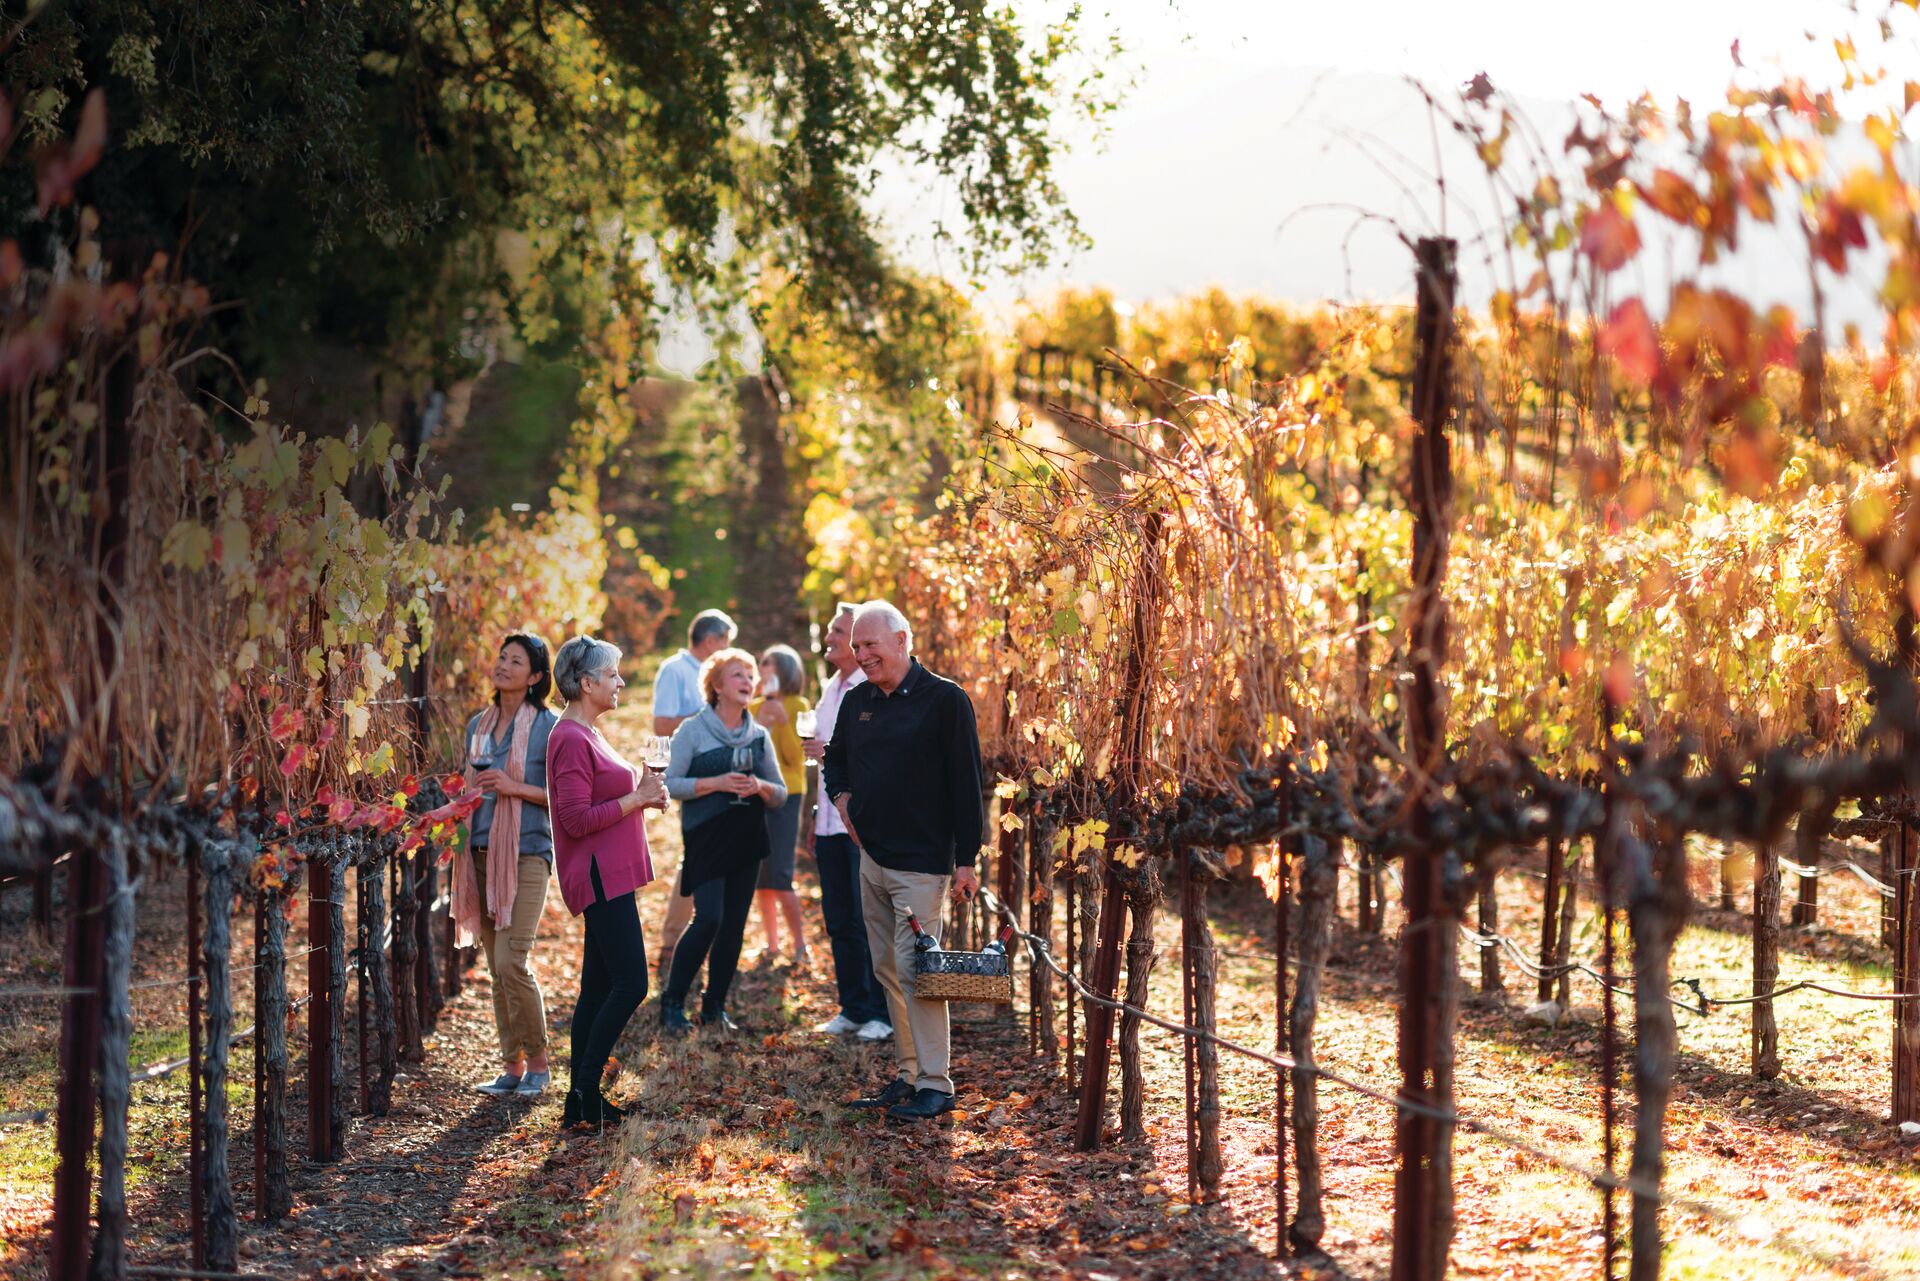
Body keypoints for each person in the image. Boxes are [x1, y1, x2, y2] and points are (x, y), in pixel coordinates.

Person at [822, 601, 985, 1121]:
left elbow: (967, 782)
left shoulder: (945, 700)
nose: (862, 655)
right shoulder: (858, 701)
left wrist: (966, 859)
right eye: (857, 647)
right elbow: (836, 759)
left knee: (919, 970)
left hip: (922, 863)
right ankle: (910, 1074)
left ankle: (937, 1083)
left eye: (871, 645)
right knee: (889, 969)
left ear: (902, 639)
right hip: (871, 859)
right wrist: (842, 798)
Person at [547, 635, 668, 1129]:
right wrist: (636, 799)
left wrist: (642, 793)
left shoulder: (587, 732)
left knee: (597, 988)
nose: (620, 681)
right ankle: (584, 1091)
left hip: (609, 874)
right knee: (631, 983)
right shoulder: (570, 738)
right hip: (599, 877)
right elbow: (574, 820)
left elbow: (604, 797)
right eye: (613, 674)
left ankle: (580, 1102)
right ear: (585, 682)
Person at [660, 647, 788, 1035]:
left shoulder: (759, 735)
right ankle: (671, 1004)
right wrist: (714, 783)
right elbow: (668, 785)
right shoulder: (693, 730)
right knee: (709, 918)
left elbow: (780, 793)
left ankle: (714, 1006)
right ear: (716, 685)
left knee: (733, 925)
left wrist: (760, 786)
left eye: (751, 676)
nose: (748, 682)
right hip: (706, 836)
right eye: (738, 675)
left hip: (747, 837)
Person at [455, 635, 561, 1099]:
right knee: (496, 968)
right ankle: (512, 1067)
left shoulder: (549, 728)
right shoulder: (479, 723)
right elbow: (470, 783)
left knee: (511, 961)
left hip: (527, 852)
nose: (503, 665)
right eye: (501, 657)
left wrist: (514, 787)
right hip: (479, 852)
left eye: (516, 661)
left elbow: (563, 797)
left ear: (536, 677)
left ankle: (539, 1065)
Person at [801, 605, 890, 1040]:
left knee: (866, 919)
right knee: (838, 919)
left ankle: (880, 1012)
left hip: (857, 824)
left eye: (840, 633)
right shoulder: (831, 687)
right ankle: (853, 1006)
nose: (832, 639)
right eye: (835, 632)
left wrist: (828, 750)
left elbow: (873, 755)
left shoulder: (869, 689)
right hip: (829, 823)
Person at [651, 608, 738, 986]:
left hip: (721, 776)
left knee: (707, 855)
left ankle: (693, 939)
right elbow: (661, 724)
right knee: (697, 856)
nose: (727, 650)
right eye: (725, 642)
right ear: (711, 640)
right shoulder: (675, 670)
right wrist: (708, 715)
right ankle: (674, 941)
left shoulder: (715, 674)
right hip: (690, 777)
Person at [750, 644, 812, 967]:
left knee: (781, 872)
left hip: (788, 795)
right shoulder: (754, 706)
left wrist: (784, 721)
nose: (763, 671)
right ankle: (772, 944)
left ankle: (800, 945)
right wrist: (764, 721)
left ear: (785, 670)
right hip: (757, 795)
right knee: (762, 875)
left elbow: (794, 758)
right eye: (761, 665)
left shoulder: (798, 705)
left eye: (769, 665)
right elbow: (750, 755)